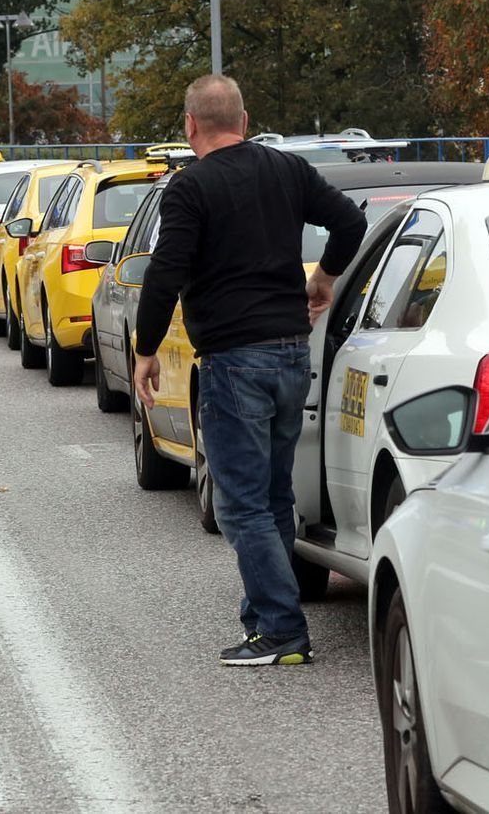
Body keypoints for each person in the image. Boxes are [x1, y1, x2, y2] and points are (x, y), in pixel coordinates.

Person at [131, 75, 367, 667]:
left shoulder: (189, 188)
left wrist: (145, 347)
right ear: (244, 116)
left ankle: (283, 631)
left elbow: (166, 270)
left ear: (190, 126)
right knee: (272, 493)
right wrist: (325, 278)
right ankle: (264, 615)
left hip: (235, 360)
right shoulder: (285, 170)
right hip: (291, 352)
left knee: (241, 505)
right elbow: (350, 222)